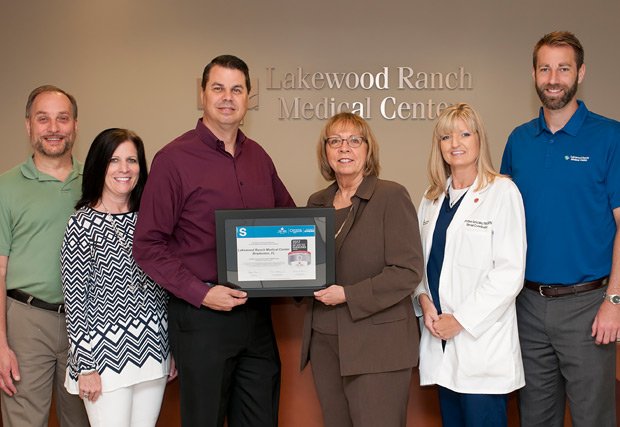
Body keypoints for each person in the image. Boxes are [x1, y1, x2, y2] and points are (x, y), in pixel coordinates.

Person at [132, 54, 295, 427]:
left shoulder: (259, 158)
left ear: (248, 98)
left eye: (237, 89)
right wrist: (202, 293)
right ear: (202, 94)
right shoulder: (173, 159)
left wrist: (307, 271)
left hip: (256, 320)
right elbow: (148, 245)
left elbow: (288, 221)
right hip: (201, 318)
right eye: (218, 88)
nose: (227, 97)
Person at [501, 31, 620, 427]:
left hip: (589, 305)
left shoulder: (610, 137)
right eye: (545, 68)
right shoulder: (518, 141)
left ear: (580, 73)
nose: (554, 78)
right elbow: (500, 227)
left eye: (563, 68)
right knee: (534, 418)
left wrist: (614, 302)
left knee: (593, 418)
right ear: (534, 74)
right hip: (527, 306)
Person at [299, 112, 424, 427]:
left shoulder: (391, 196)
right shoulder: (317, 202)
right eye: (335, 141)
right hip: (325, 341)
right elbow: (303, 265)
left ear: (368, 150)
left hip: (378, 345)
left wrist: (348, 295)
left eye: (355, 140)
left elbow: (407, 271)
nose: (345, 148)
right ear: (325, 151)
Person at [413, 103, 526, 426]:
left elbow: (509, 274)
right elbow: (420, 263)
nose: (456, 143)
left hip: (480, 345)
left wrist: (460, 320)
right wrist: (422, 298)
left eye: (465, 133)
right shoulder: (432, 197)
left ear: (479, 139)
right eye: (446, 136)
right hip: (440, 340)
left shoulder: (502, 192)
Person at [60, 128, 175, 426]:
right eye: (114, 160)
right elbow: (75, 301)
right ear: (99, 165)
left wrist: (172, 349)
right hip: (103, 360)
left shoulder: (150, 221)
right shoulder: (81, 224)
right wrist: (85, 365)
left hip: (153, 351)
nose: (124, 169)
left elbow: (164, 289)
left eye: (132, 160)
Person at [0, 85, 89, 426]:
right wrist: (2, 345)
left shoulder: (98, 184)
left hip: (85, 325)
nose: (53, 128)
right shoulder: (6, 187)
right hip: (26, 321)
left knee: (82, 421)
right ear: (28, 126)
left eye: (62, 118)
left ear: (76, 125)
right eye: (43, 119)